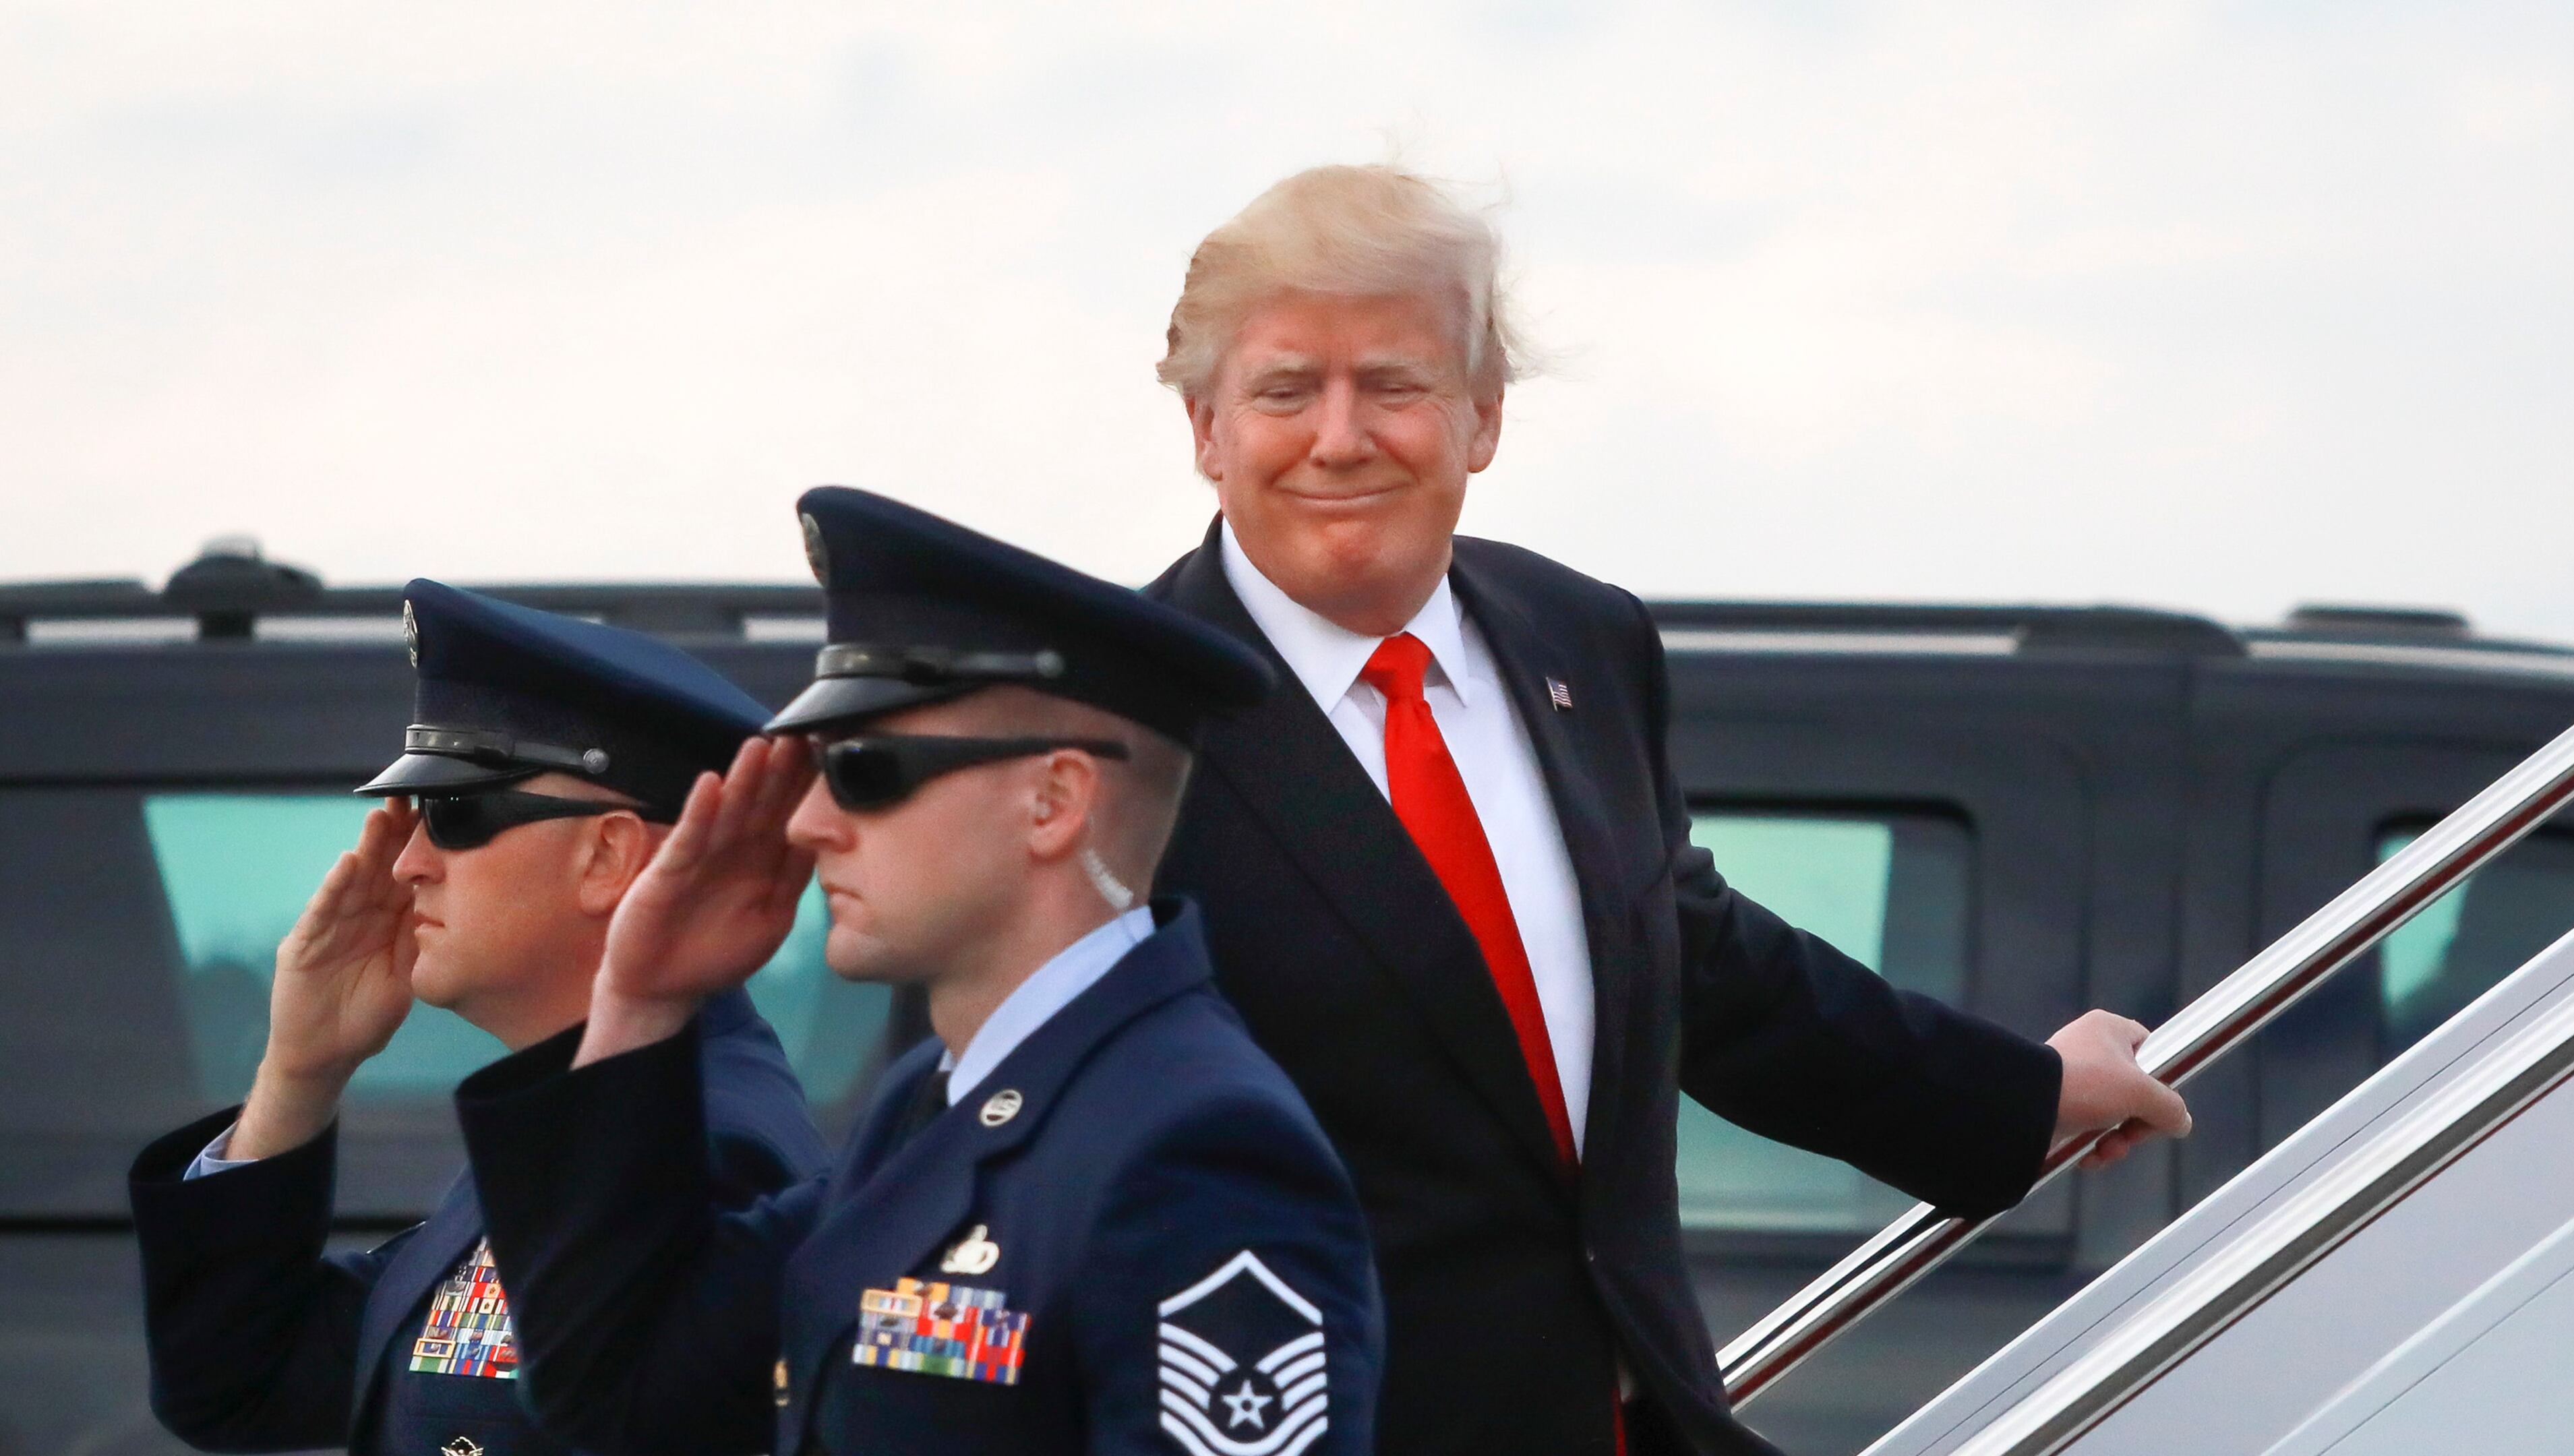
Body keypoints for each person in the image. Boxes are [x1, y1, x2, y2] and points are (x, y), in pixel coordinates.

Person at [1139, 164, 2196, 1456]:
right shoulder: (1115, 730)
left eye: (1397, 385)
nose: (1343, 436)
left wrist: (2019, 1097)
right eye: (1287, 389)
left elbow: (1692, 958)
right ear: (1207, 428)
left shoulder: (1579, 637)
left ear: (1481, 417)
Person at [450, 486, 1383, 1456]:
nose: (809, 825)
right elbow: (618, 1397)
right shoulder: (925, 1108)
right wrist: (638, 1005)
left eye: (863, 773)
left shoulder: (1200, 1148)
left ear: (1054, 800)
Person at [128, 580, 829, 1456]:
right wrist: (298, 1072)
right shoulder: (591, 1115)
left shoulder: (704, 1140)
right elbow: (236, 1388)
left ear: (608, 854)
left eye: (456, 814)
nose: (411, 863)